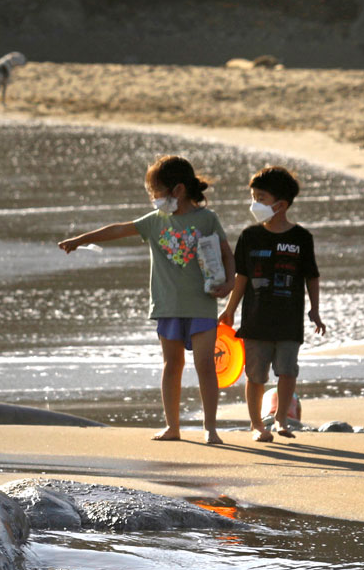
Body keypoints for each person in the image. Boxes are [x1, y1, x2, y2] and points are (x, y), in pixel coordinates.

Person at [60, 154, 237, 444]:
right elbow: (118, 229)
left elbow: (227, 254)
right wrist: (81, 240)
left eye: (155, 192)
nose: (153, 199)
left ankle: (210, 428)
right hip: (168, 306)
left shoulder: (207, 219)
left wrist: (229, 283)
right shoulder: (155, 222)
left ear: (177, 190)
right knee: (172, 365)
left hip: (202, 303)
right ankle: (172, 426)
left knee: (206, 366)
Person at [220, 166, 325, 442]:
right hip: (255, 321)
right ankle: (257, 424)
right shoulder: (249, 236)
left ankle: (281, 420)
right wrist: (230, 310)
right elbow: (241, 277)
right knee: (255, 375)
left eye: (261, 198)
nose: (255, 204)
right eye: (253, 197)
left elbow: (311, 277)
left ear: (281, 204)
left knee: (288, 371)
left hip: (289, 320)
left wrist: (315, 310)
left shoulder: (301, 238)